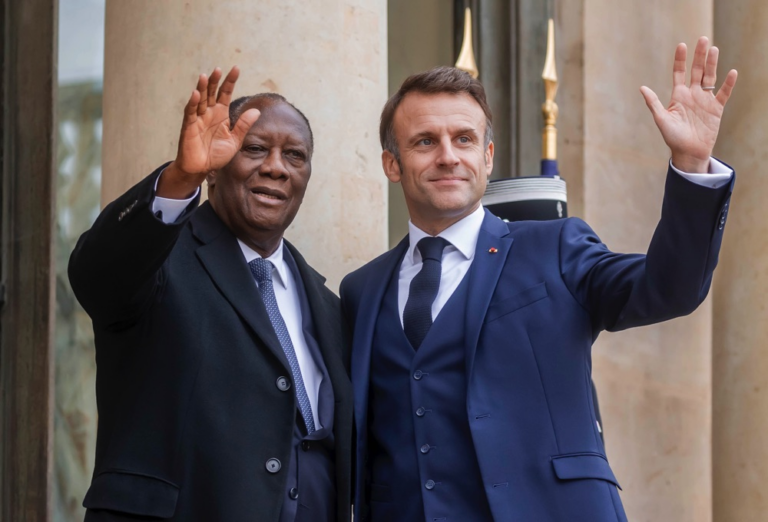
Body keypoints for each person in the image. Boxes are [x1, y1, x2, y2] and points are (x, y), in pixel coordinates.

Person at [340, 37, 737, 522]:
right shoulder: (361, 291)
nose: (447, 156)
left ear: (487, 157)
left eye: (463, 139)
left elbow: (668, 288)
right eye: (425, 141)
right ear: (391, 164)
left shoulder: (557, 248)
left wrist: (692, 166)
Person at [69, 66, 352, 522]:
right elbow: (97, 275)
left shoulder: (330, 305)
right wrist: (182, 178)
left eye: (295, 156)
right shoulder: (159, 259)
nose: (276, 167)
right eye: (254, 149)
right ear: (217, 169)